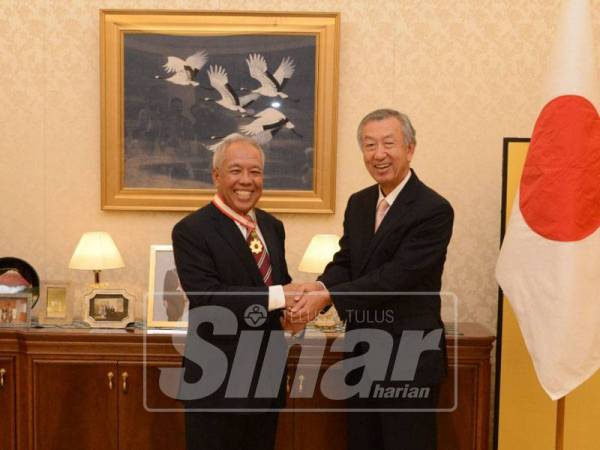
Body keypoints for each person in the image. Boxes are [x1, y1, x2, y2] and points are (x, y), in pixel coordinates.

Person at [292, 108, 454, 450]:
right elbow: (348, 260)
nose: (378, 154)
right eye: (369, 145)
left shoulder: (434, 209)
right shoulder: (359, 203)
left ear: (409, 148)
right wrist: (320, 286)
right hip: (362, 350)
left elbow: (396, 277)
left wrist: (329, 297)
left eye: (388, 144)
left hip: (410, 354)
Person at [172, 135, 302, 450]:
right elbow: (209, 298)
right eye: (236, 171)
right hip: (216, 385)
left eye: (255, 172)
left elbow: (278, 285)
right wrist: (282, 297)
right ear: (216, 175)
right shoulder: (191, 230)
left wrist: (295, 311)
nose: (246, 180)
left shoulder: (272, 226)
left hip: (266, 380)